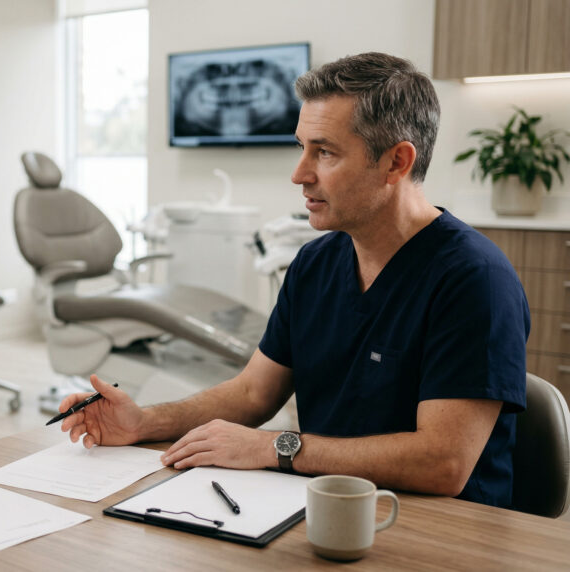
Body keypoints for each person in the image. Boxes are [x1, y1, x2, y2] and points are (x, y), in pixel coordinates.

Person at [60, 52, 529, 508]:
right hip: (323, 507)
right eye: (301, 147)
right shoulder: (315, 263)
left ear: (396, 163)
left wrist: (274, 448)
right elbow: (251, 393)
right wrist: (143, 421)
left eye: (324, 153)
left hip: (443, 531)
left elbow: (443, 463)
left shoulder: (474, 280)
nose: (299, 174)